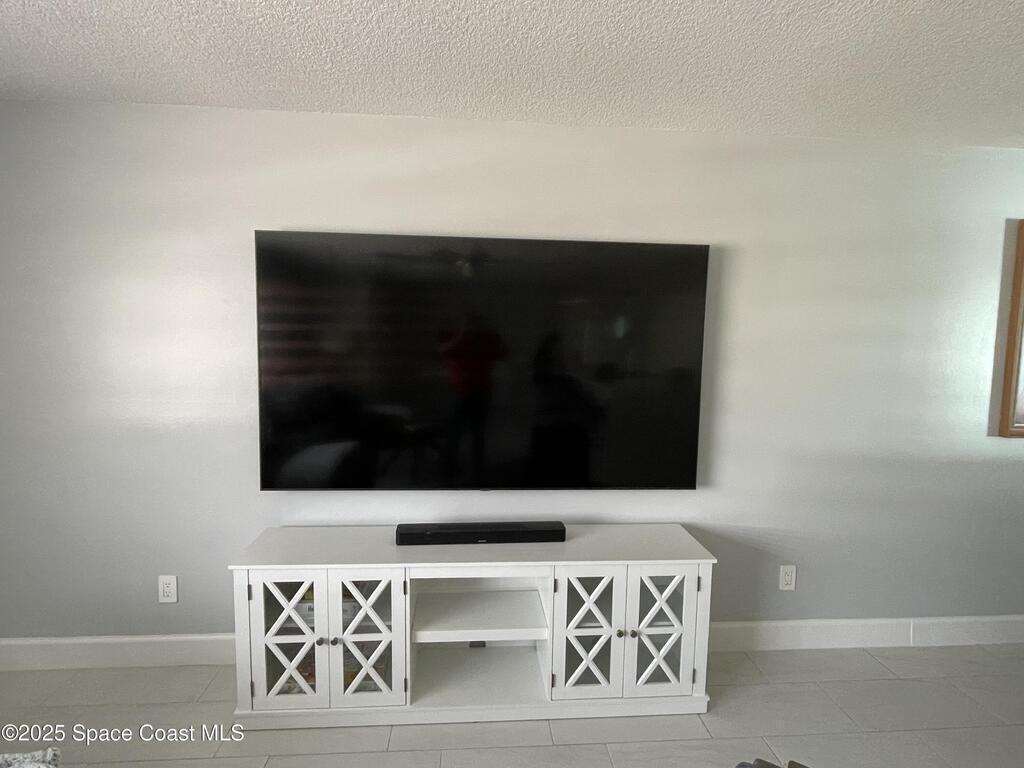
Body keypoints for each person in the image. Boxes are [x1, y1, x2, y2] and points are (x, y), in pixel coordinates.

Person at [438, 313, 507, 482]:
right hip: (462, 391)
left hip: (478, 390)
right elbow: (445, 351)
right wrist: (463, 334)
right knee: (456, 432)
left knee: (476, 432)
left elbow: (502, 353)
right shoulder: (456, 338)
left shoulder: (485, 339)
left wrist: (492, 336)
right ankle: (453, 468)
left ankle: (474, 469)